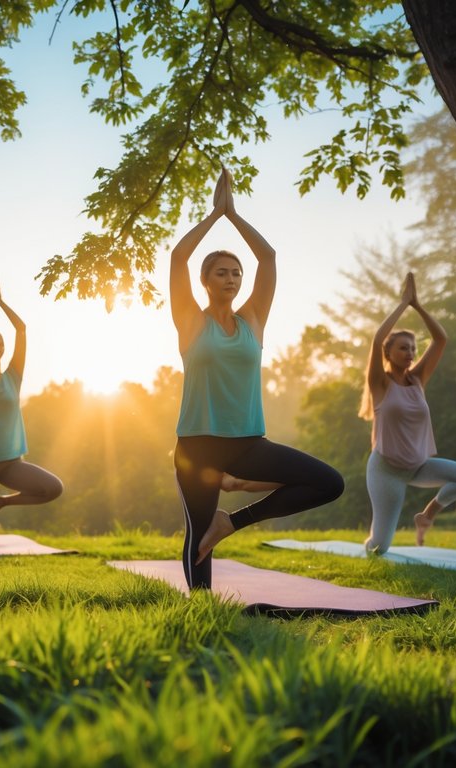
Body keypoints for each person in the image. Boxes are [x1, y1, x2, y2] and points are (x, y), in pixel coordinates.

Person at [169, 169, 343, 589]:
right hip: (197, 445)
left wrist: (234, 215)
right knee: (198, 534)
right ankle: (202, 608)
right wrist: (214, 216)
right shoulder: (191, 322)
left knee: (328, 482)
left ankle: (235, 520)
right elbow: (178, 258)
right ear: (205, 281)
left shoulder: (253, 321)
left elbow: (267, 258)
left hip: (248, 442)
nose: (230, 278)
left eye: (235, 274)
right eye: (221, 273)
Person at [361, 272, 456, 552]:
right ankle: (371, 541)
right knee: (380, 547)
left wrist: (418, 304)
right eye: (403, 348)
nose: (411, 353)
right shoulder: (380, 383)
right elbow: (377, 339)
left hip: (419, 466)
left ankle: (427, 515)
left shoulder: (417, 379)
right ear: (388, 353)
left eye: (413, 348)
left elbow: (440, 339)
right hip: (386, 471)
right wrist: (403, 304)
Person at [0, 274, 62, 545]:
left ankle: (1, 503)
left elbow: (21, 329)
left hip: (10, 462)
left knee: (52, 488)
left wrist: (1, 302)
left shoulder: (13, 377)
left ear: (3, 349)